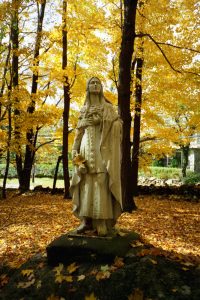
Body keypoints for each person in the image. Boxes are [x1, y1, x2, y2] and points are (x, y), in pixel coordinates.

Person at [70, 77, 123, 236]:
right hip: (85, 149)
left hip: (102, 151)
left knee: (101, 183)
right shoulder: (84, 109)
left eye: (97, 83)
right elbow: (78, 133)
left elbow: (118, 125)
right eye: (91, 83)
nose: (94, 85)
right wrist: (75, 152)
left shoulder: (107, 107)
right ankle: (86, 221)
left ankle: (101, 221)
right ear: (87, 88)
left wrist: (103, 122)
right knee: (86, 184)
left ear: (101, 87)